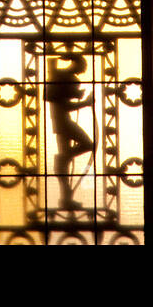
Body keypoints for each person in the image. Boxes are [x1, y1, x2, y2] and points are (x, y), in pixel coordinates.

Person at [45, 54, 94, 211]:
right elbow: (64, 106)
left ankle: (65, 199)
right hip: (63, 122)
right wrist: (84, 102)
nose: (80, 73)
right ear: (76, 65)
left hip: (61, 121)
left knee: (67, 157)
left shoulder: (58, 76)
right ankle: (63, 159)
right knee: (87, 144)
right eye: (81, 69)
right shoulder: (62, 77)